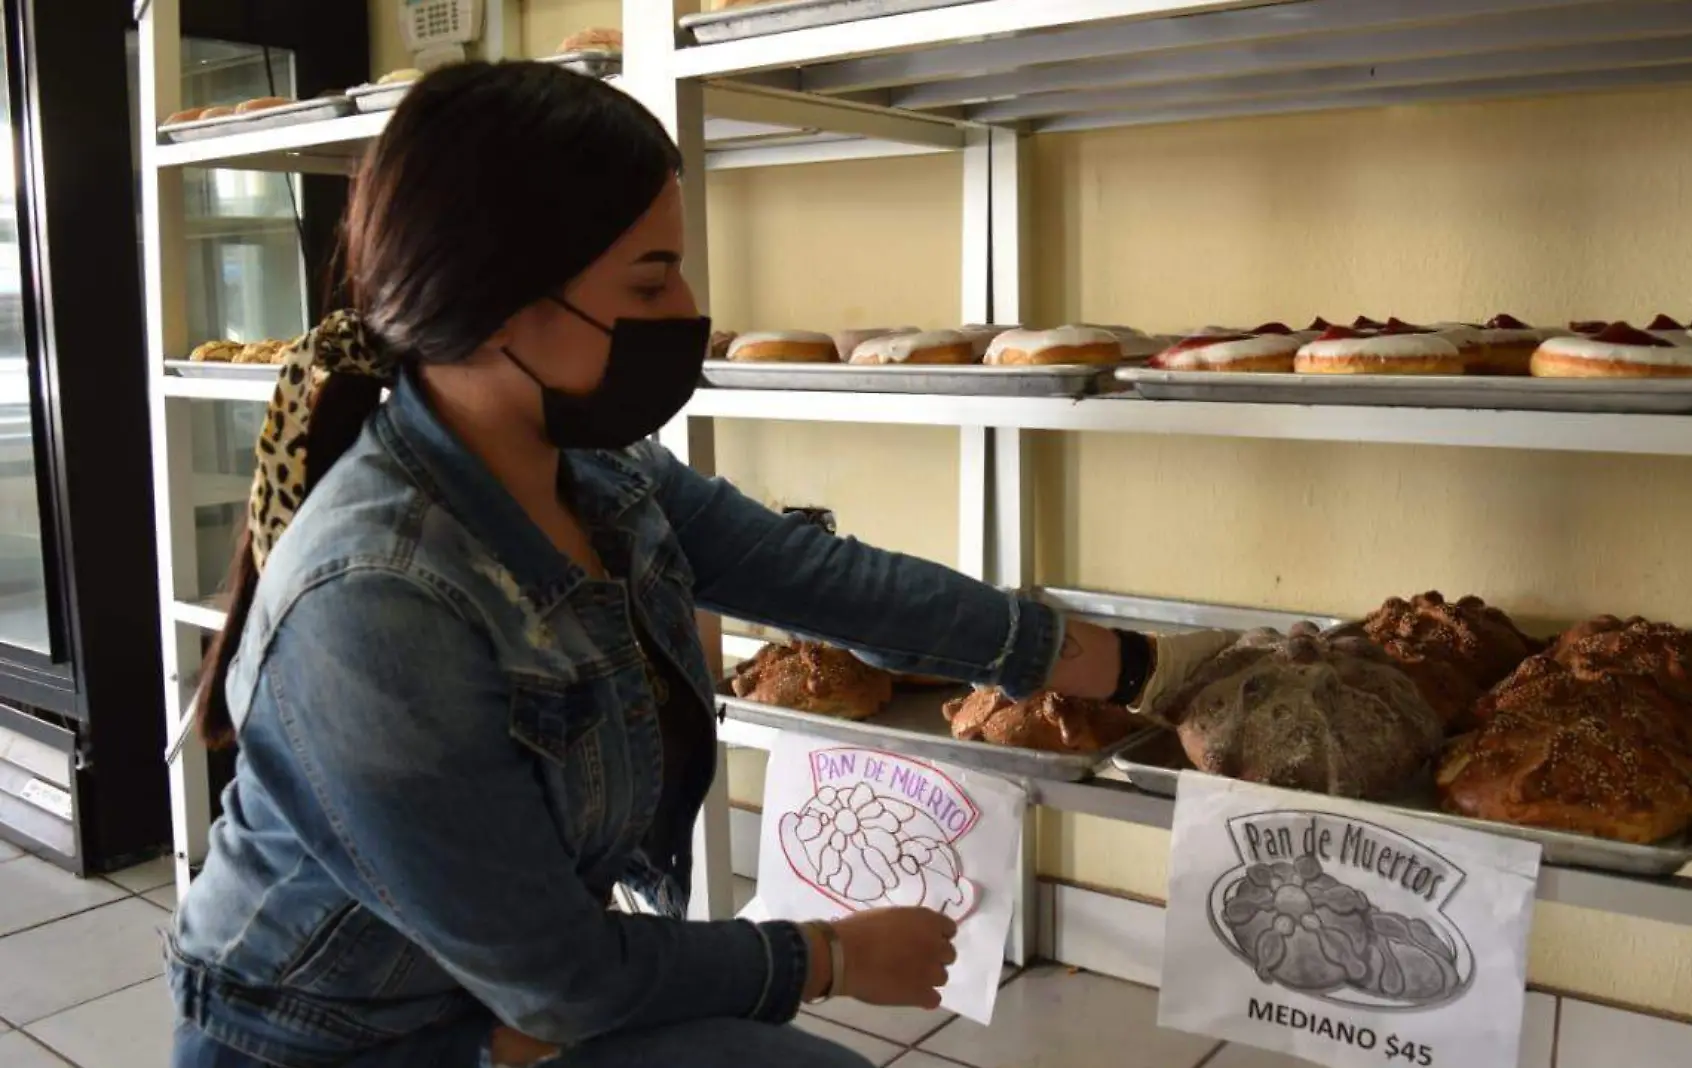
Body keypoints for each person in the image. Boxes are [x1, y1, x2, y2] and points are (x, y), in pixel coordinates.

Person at [166, 62, 1231, 1068]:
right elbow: (565, 980)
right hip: (340, 1039)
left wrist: (1107, 662)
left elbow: (819, 577)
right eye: (651, 280)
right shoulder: (377, 600)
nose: (687, 317)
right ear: (501, 306)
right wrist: (836, 955)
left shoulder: (596, 472)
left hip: (497, 999)